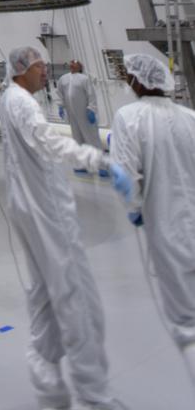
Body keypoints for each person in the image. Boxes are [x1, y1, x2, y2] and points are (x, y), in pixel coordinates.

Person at [1, 44, 132, 410]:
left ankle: (49, 388)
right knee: (76, 298)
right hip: (46, 212)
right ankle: (93, 394)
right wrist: (97, 160)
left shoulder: (14, 99)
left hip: (29, 206)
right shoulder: (23, 103)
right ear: (20, 69)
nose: (46, 71)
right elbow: (47, 141)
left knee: (44, 295)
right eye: (39, 66)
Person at [110, 52, 195, 387]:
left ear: (139, 80)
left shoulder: (129, 117)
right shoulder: (190, 116)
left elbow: (123, 175)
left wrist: (134, 210)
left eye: (129, 75)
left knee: (188, 324)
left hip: (168, 229)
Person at [57, 59, 103, 153]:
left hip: (84, 114)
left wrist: (91, 109)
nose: (72, 64)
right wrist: (61, 106)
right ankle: (82, 160)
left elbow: (91, 95)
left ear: (80, 67)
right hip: (72, 115)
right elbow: (60, 93)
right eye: (71, 63)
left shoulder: (84, 79)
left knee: (91, 136)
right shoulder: (63, 79)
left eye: (75, 63)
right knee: (77, 137)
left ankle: (98, 160)